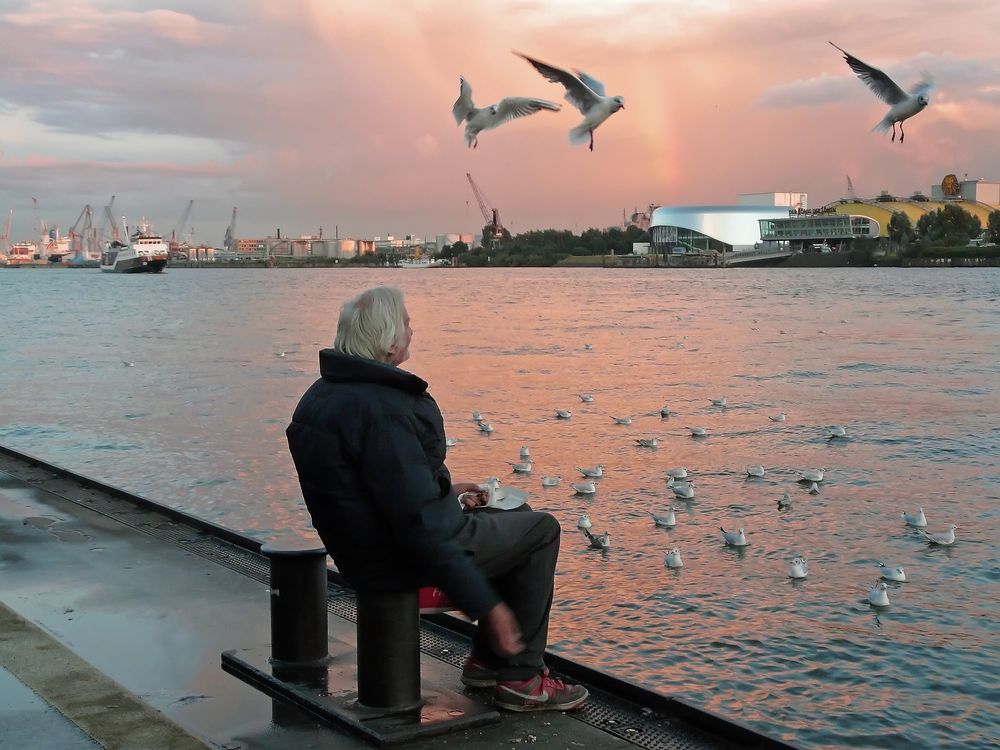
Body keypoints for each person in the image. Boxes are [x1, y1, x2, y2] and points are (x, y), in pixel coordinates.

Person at [286, 286, 587, 713]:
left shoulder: (323, 396)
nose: (413, 329)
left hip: (359, 548)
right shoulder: (383, 410)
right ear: (390, 342)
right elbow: (417, 525)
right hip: (396, 559)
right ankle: (521, 676)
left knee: (514, 511)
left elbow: (378, 487)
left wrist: (448, 491)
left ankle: (487, 662)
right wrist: (488, 607)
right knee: (542, 529)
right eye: (406, 322)